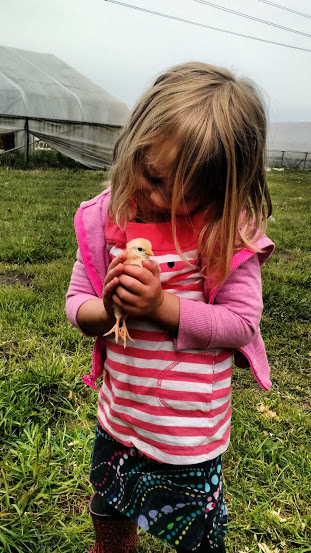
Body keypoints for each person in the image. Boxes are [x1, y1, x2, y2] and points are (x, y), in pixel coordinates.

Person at [66, 62, 274, 553]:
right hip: (120, 416)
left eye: (166, 187)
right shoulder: (107, 221)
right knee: (109, 500)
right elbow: (77, 307)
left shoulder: (223, 234)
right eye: (144, 167)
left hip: (187, 435)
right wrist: (108, 305)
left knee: (197, 532)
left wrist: (162, 307)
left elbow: (242, 324)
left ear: (215, 188)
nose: (145, 190)